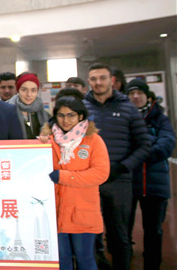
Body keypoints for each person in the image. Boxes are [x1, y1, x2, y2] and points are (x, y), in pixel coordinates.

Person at [83, 63, 151, 270]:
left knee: (119, 235)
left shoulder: (128, 108)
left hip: (118, 181)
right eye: (93, 79)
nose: (98, 82)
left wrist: (122, 167)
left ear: (111, 80)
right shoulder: (81, 108)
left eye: (102, 78)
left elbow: (144, 145)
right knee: (88, 235)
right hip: (88, 181)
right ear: (89, 81)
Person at [39, 96, 109, 270]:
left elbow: (100, 174)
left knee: (85, 259)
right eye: (61, 115)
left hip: (82, 212)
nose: (66, 120)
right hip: (55, 212)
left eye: (71, 115)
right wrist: (38, 145)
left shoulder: (93, 140)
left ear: (80, 116)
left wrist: (65, 177)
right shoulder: (47, 140)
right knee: (61, 261)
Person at [126, 79, 175, 270]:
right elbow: (121, 145)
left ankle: (153, 264)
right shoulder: (123, 118)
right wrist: (149, 143)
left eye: (140, 93)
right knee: (123, 228)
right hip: (128, 183)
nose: (136, 96)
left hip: (155, 185)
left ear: (148, 96)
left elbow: (167, 144)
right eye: (132, 93)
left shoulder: (160, 118)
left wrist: (140, 151)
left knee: (153, 230)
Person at [7, 72, 50, 139]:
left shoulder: (44, 114)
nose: (29, 94)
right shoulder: (6, 111)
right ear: (18, 90)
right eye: (24, 90)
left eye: (33, 90)